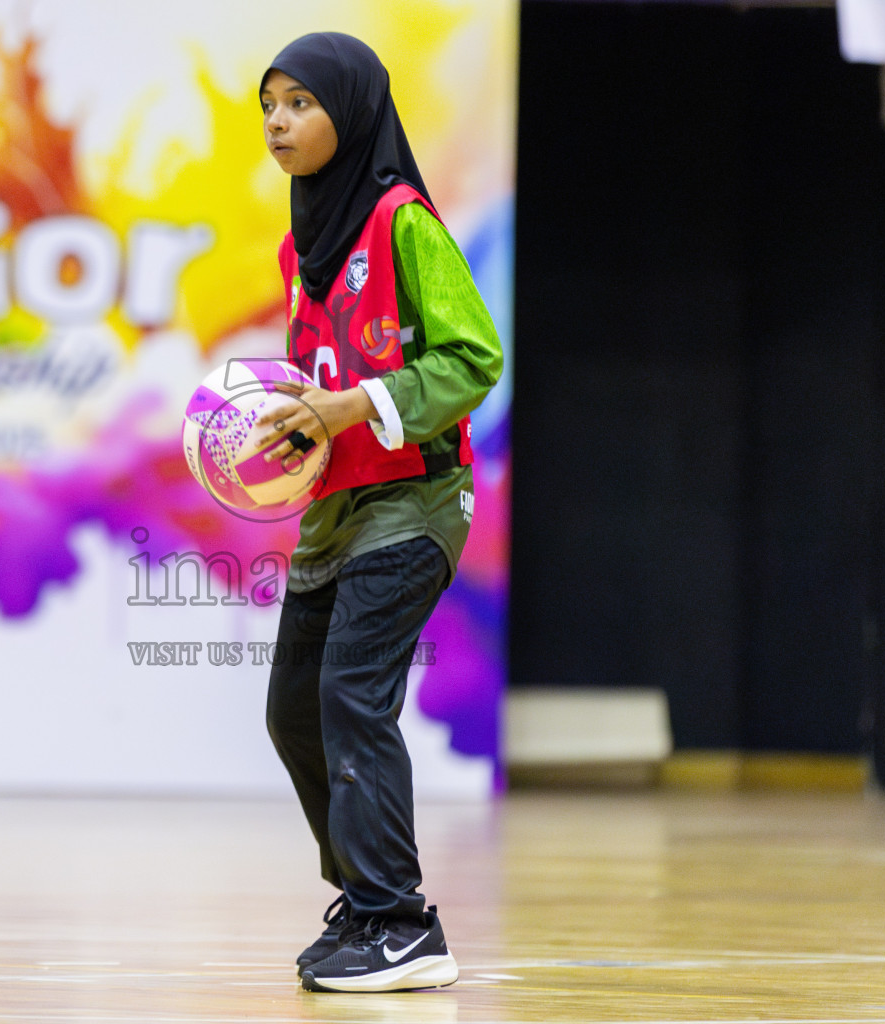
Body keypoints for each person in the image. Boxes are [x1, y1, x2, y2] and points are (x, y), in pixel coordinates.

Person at [255, 32, 504, 994]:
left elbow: (474, 359)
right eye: (269, 105)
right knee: (293, 714)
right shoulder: (297, 245)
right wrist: (291, 433)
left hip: (418, 500)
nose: (279, 122)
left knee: (351, 696)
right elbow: (321, 381)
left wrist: (352, 409)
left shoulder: (404, 224)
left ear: (352, 113)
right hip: (337, 507)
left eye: (301, 104)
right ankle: (366, 902)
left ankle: (402, 924)